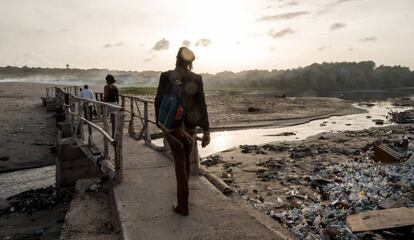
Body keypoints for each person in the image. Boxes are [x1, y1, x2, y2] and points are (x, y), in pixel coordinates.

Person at [155, 47, 210, 216]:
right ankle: (182, 197)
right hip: (191, 127)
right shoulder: (196, 78)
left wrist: (161, 125)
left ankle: (183, 205)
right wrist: (206, 130)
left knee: (180, 163)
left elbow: (158, 101)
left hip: (172, 127)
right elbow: (201, 104)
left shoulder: (166, 76)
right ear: (191, 62)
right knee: (184, 161)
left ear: (176, 59)